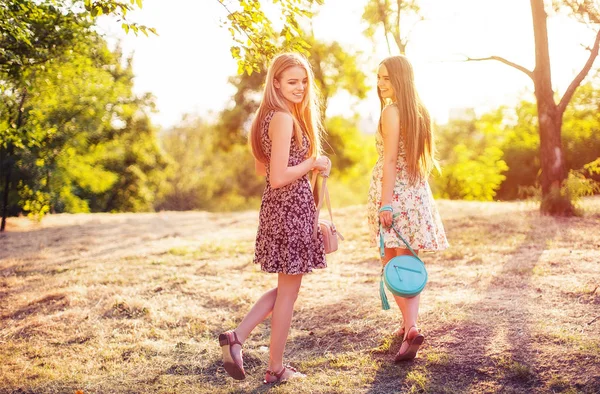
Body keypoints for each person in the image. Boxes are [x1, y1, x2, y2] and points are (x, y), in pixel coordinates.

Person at [219, 52, 330, 383]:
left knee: (285, 288)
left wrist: (309, 164)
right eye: (292, 81)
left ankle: (236, 338)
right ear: (277, 83)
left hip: (278, 208)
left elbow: (262, 169)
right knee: (289, 292)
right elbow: (279, 176)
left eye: (304, 81)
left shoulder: (266, 117)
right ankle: (275, 367)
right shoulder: (283, 119)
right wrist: (311, 163)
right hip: (289, 208)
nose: (299, 87)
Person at [367, 55, 449, 362]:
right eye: (378, 77)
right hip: (415, 195)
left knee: (394, 266)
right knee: (407, 265)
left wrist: (385, 202)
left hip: (395, 195)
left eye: (386, 78)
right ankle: (407, 326)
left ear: (400, 79)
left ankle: (411, 327)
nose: (380, 83)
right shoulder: (420, 111)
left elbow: (390, 161)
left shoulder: (391, 111)